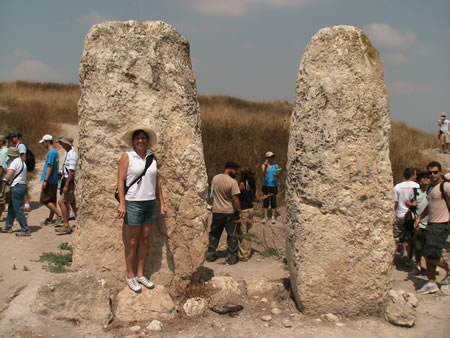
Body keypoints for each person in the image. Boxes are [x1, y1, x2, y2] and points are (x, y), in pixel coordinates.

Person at [117, 127, 168, 293]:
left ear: (147, 141)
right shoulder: (127, 156)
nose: (140, 141)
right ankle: (130, 275)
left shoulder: (152, 158)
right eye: (137, 138)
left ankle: (140, 274)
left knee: (145, 240)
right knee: (132, 241)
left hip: (150, 203)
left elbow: (156, 181)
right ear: (133, 141)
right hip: (133, 203)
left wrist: (162, 203)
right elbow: (120, 180)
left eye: (143, 138)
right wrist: (122, 204)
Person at [414, 161, 450, 294]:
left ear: (440, 172)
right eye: (430, 172)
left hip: (441, 224)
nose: (432, 175)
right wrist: (420, 218)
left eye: (435, 172)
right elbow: (429, 206)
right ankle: (431, 282)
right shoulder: (430, 187)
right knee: (427, 253)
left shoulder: (445, 186)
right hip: (430, 223)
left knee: (430, 254)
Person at [206, 162, 242, 265]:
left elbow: (213, 192)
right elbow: (235, 198)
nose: (236, 172)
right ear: (230, 169)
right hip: (229, 211)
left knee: (214, 233)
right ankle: (231, 257)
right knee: (231, 235)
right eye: (235, 170)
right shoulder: (233, 182)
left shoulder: (215, 178)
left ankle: (210, 254)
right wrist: (239, 211)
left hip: (217, 210)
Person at [406, 171, 430, 275]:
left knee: (429, 247)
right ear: (419, 179)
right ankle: (418, 266)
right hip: (418, 223)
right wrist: (412, 203)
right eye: (424, 177)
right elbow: (407, 202)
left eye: (428, 177)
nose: (426, 179)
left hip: (431, 223)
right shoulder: (415, 191)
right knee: (418, 247)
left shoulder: (433, 191)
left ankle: (431, 268)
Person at [393, 168, 419, 263]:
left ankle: (392, 257)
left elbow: (395, 202)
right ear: (412, 175)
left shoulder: (398, 186)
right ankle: (406, 255)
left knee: (396, 237)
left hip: (400, 214)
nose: (416, 176)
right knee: (408, 236)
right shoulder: (417, 186)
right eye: (415, 174)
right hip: (411, 215)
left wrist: (393, 214)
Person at [2, 147, 30, 236]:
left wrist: (3, 179)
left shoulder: (14, 163)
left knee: (18, 209)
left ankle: (25, 229)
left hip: (16, 187)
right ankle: (8, 226)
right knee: (11, 207)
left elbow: (9, 175)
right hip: (22, 186)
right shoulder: (22, 162)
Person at [56, 136, 78, 235]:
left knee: (62, 201)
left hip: (69, 181)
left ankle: (66, 225)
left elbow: (72, 171)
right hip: (65, 179)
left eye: (61, 143)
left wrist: (66, 185)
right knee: (72, 202)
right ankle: (79, 221)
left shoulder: (72, 154)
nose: (61, 145)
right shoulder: (68, 153)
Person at [39, 134, 62, 226]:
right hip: (54, 180)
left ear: (47, 142)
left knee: (44, 200)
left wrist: (45, 180)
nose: (43, 144)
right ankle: (50, 219)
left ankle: (59, 215)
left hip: (50, 180)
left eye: (43, 142)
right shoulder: (55, 152)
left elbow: (50, 166)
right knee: (52, 200)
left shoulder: (51, 152)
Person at [237, 167, 259, 261]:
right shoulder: (253, 182)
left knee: (243, 233)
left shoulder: (242, 183)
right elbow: (257, 197)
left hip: (243, 209)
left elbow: (237, 194)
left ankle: (244, 254)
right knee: (248, 231)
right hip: (251, 208)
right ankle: (248, 251)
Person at [7, 132, 31, 211]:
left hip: (20, 169)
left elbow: (23, 157)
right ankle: (25, 203)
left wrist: (21, 167)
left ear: (16, 137)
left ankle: (26, 203)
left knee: (22, 184)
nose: (11, 140)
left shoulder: (21, 146)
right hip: (20, 168)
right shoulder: (17, 146)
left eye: (11, 138)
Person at [261, 151, 281, 224]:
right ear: (266, 158)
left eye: (272, 157)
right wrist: (266, 166)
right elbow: (264, 173)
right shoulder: (263, 165)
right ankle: (265, 216)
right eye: (269, 157)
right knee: (266, 201)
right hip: (266, 185)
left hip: (273, 185)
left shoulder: (276, 166)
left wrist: (277, 175)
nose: (271, 159)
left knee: (273, 201)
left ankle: (273, 217)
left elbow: (278, 175)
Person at [0, 135, 9, 220]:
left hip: (3, 178)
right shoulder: (7, 150)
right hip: (7, 177)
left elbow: (1, 167)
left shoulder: (3, 152)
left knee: (1, 198)